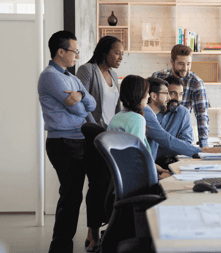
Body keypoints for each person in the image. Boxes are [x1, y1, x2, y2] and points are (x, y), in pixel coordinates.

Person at [38, 30, 96, 253]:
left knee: (73, 196)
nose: (77, 56)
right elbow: (78, 108)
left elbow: (90, 103)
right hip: (63, 142)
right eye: (75, 51)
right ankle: (60, 248)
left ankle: (62, 247)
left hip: (77, 140)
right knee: (71, 197)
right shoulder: (50, 76)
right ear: (61, 52)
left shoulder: (71, 78)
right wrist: (81, 100)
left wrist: (81, 94)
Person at [76, 36, 124, 252]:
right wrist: (97, 130)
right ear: (105, 51)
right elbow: (83, 105)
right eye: (117, 52)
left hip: (109, 138)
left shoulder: (114, 75)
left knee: (108, 184)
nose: (120, 57)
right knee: (96, 185)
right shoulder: (87, 70)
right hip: (93, 137)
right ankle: (92, 233)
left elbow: (115, 109)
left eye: (123, 54)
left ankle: (104, 230)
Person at [143, 77, 221, 162]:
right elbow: (166, 140)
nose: (170, 98)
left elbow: (183, 142)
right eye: (169, 93)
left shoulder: (182, 112)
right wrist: (203, 151)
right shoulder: (146, 114)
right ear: (153, 96)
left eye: (181, 94)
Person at [108, 75, 170, 179]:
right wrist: (158, 177)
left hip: (119, 177)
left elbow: (131, 155)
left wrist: (156, 168)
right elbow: (137, 158)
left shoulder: (118, 117)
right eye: (146, 92)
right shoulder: (136, 119)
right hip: (133, 180)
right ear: (138, 94)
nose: (149, 96)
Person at [152, 44, 210, 148]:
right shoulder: (158, 77)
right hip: (157, 131)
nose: (185, 68)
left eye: (188, 64)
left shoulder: (195, 83)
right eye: (181, 64)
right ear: (171, 62)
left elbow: (202, 114)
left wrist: (204, 146)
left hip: (179, 134)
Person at [155, 75, 194, 169]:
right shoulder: (152, 111)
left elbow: (186, 143)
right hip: (149, 163)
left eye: (180, 94)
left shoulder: (183, 113)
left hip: (170, 164)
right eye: (173, 93)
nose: (178, 98)